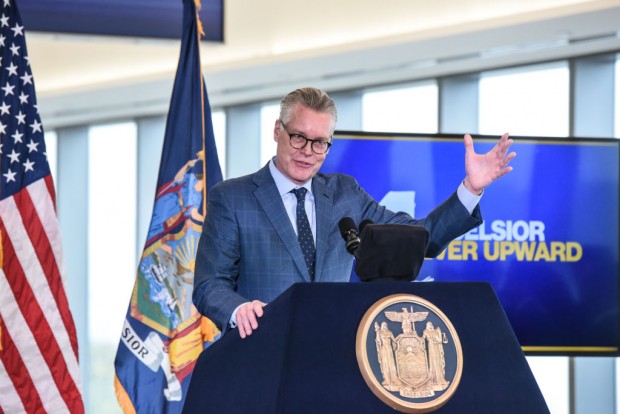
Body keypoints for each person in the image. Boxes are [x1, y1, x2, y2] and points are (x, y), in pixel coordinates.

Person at [192, 87, 515, 338]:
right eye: (299, 138)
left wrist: (471, 189)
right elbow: (209, 285)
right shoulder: (232, 198)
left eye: (320, 143)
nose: (308, 152)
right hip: (261, 357)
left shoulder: (345, 194)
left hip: (334, 360)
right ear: (278, 130)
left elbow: (420, 238)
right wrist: (240, 310)